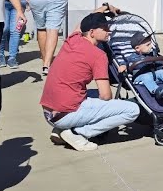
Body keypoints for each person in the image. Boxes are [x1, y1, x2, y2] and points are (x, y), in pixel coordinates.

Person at [40, 12, 139, 151]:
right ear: (92, 32)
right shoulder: (98, 55)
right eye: (104, 28)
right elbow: (105, 96)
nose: (108, 31)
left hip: (49, 112)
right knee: (132, 110)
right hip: (65, 115)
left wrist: (105, 7)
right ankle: (77, 133)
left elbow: (82, 24)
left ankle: (62, 129)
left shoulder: (72, 39)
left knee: (92, 93)